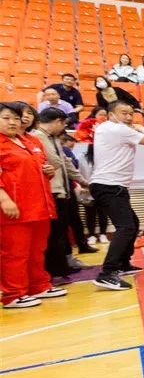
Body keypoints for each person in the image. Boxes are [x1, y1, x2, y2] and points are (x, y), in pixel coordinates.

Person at [90, 101, 144, 290]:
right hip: (109, 186)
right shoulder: (118, 130)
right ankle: (107, 273)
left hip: (112, 186)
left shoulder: (105, 128)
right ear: (111, 114)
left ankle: (122, 263)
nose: (129, 118)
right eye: (124, 113)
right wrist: (139, 127)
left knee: (132, 223)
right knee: (126, 227)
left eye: (131, 114)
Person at [0, 101, 65, 308]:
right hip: (14, 208)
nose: (13, 122)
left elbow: (41, 167)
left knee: (37, 250)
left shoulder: (28, 141)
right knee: (15, 253)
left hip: (39, 205)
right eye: (6, 118)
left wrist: (48, 171)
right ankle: (13, 294)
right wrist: (4, 198)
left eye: (16, 118)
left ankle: (39, 285)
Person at [33, 107, 92, 278]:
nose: (63, 128)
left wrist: (82, 180)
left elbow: (65, 162)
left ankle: (62, 265)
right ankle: (56, 268)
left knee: (61, 231)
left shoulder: (53, 138)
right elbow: (55, 161)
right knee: (54, 233)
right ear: (58, 121)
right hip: (51, 190)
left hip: (62, 189)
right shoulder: (38, 137)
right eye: (63, 124)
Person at [74, 142, 109, 245]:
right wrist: (82, 184)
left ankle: (103, 234)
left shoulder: (105, 157)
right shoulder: (82, 157)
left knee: (103, 213)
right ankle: (92, 235)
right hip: (87, 189)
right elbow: (79, 171)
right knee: (90, 214)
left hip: (102, 189)